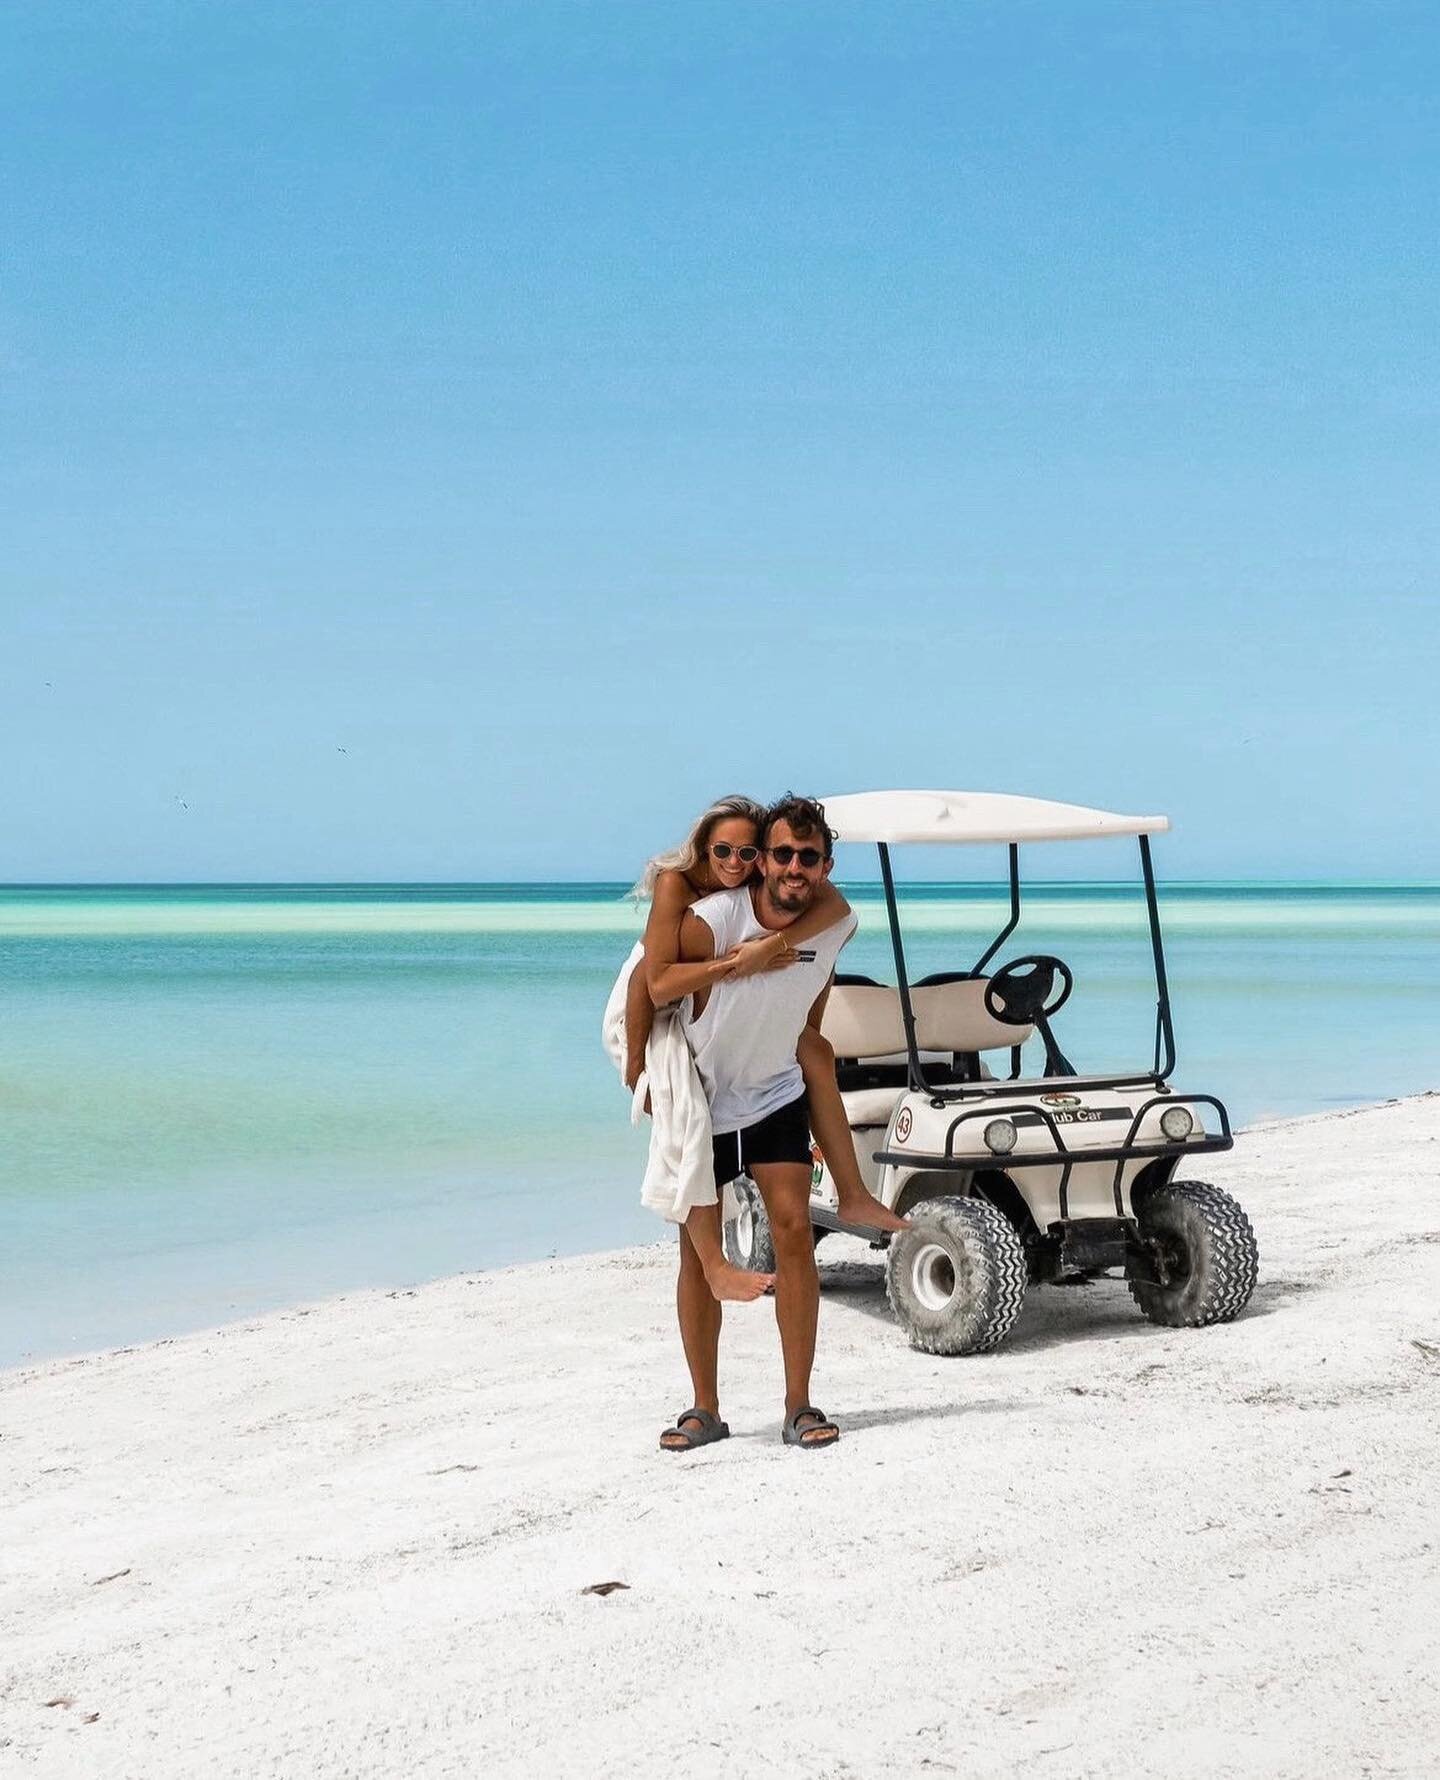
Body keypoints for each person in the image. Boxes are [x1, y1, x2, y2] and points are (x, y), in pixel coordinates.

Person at [623, 797, 905, 1312]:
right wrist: (636, 1070)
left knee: (815, 1049)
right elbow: (651, 980)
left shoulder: (822, 908)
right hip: (645, 1011)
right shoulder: (684, 894)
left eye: (744, 851)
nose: (734, 862)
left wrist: (771, 949)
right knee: (683, 1104)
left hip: (735, 1040)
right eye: (723, 851)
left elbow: (829, 936)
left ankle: (853, 1191)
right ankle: (714, 1268)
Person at [660, 795, 878, 1453]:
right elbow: (655, 988)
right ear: (761, 862)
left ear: (825, 865)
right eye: (781, 853)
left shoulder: (834, 926)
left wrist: (812, 1087)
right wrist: (645, 1081)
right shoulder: (713, 918)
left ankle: (798, 1405)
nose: (793, 867)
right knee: (697, 1255)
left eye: (808, 857)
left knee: (793, 1229)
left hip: (775, 1094)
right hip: (700, 1097)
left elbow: (809, 1013)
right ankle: (704, 1409)